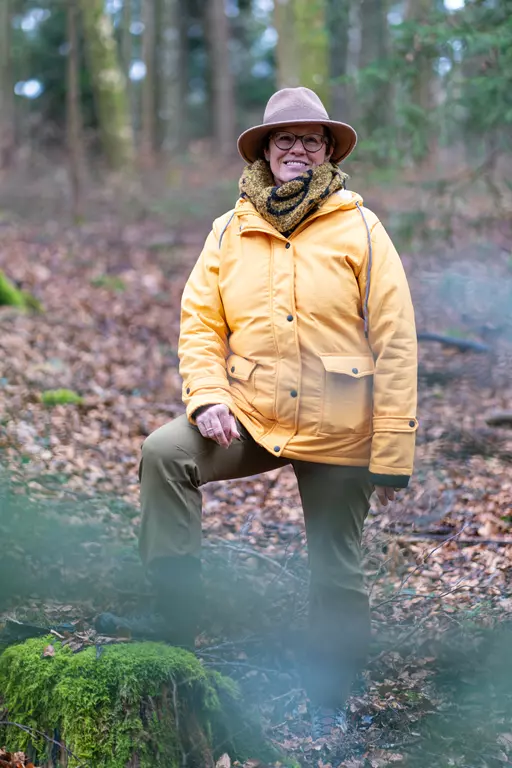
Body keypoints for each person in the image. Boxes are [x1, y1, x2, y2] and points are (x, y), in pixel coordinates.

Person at [97, 87, 418, 741]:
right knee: (165, 453)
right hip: (249, 412)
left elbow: (396, 337)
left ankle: (331, 691)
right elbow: (199, 323)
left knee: (336, 562)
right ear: (265, 152)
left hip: (339, 420)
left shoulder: (360, 226)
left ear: (328, 150)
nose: (297, 149)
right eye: (284, 139)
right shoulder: (229, 229)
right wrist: (208, 396)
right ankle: (175, 623)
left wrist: (391, 445)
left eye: (310, 139)